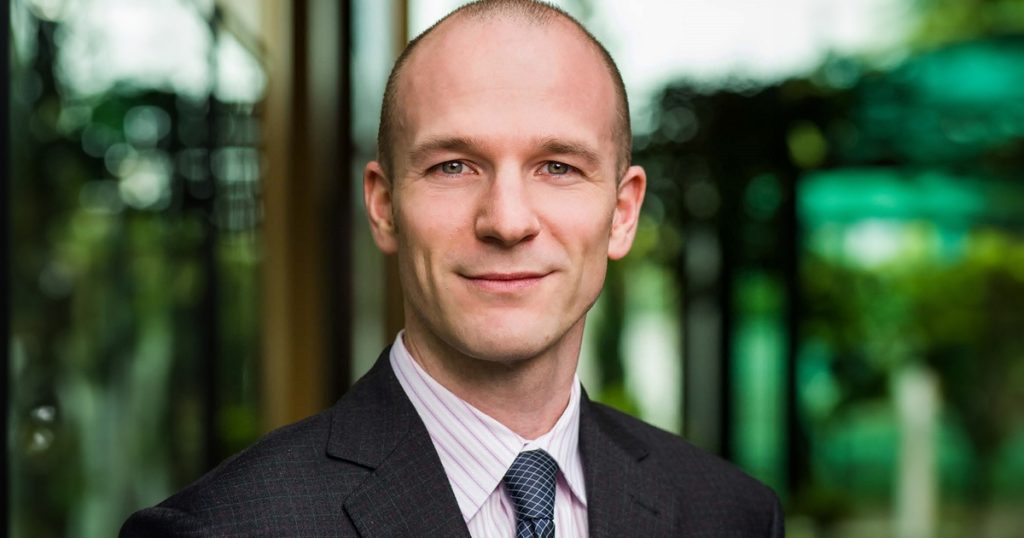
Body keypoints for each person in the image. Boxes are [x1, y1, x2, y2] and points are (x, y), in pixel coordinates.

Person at [121, 0, 783, 536]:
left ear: (623, 213)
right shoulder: (222, 529)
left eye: (557, 166)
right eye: (453, 166)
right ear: (384, 207)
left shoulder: (732, 517)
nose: (507, 220)